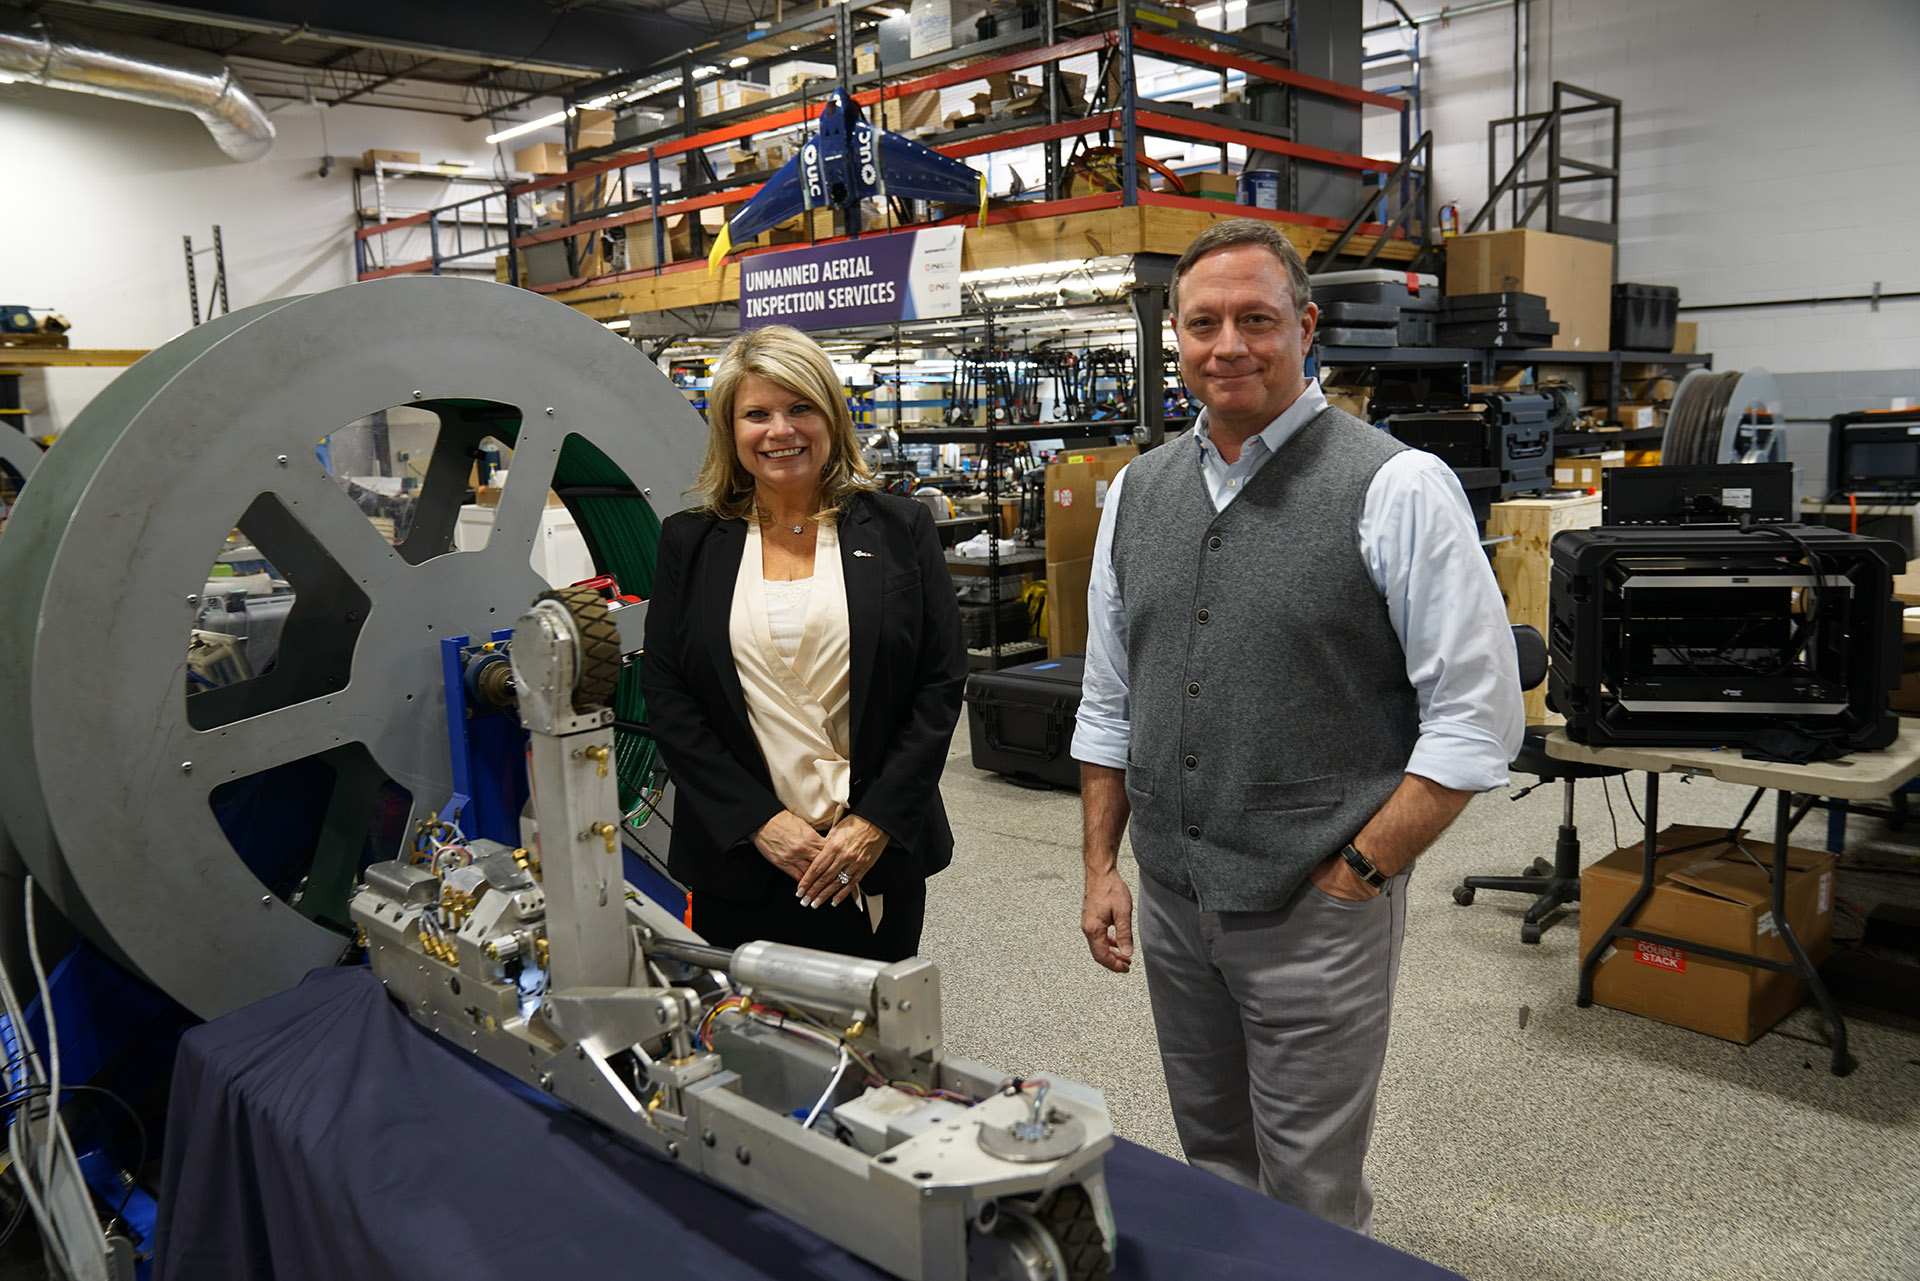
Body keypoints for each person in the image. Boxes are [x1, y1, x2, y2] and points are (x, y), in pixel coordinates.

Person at [1073, 220, 1523, 1232]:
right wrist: (1105, 865)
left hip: (1316, 905)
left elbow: (1478, 719)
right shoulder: (1135, 493)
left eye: (1256, 319)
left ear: (1306, 328)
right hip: (1178, 901)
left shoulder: (1397, 486)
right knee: (1213, 1156)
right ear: (1175, 339)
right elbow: (1111, 699)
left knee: (1312, 1188)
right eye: (1203, 324)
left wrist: (1358, 872)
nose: (1228, 345)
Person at [641, 325, 967, 961]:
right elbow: (669, 694)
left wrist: (874, 823)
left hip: (873, 854)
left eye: (799, 409)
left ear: (831, 418)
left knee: (875, 1046)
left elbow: (939, 682)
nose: (780, 431)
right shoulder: (691, 541)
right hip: (742, 858)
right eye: (756, 414)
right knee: (749, 1042)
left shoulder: (901, 529)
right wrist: (759, 823)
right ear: (730, 432)